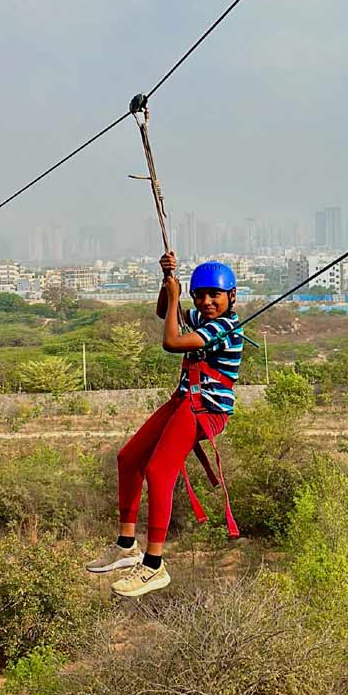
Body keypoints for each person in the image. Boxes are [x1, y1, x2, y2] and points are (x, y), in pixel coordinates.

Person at [85, 252, 243, 597]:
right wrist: (167, 283)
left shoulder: (224, 326)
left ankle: (154, 565)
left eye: (214, 295)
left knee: (159, 471)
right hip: (185, 400)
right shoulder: (201, 317)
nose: (206, 301)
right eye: (199, 295)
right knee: (129, 459)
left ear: (231, 296)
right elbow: (164, 314)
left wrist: (175, 297)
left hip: (206, 408)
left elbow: (171, 341)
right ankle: (127, 545)